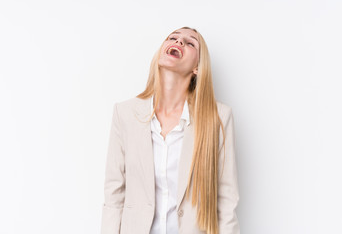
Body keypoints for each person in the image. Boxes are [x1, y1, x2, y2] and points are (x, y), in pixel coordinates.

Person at [100, 26, 240, 234]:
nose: (179, 41)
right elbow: (114, 194)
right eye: (172, 37)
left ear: (198, 68)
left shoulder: (218, 118)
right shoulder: (125, 114)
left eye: (190, 42)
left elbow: (227, 201)